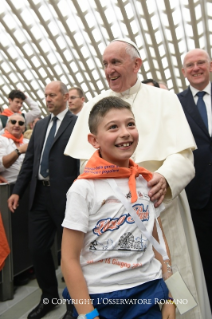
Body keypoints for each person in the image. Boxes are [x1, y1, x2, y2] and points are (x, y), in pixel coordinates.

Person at [64, 38, 211, 318]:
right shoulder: (95, 105)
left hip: (163, 208)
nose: (109, 69)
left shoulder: (164, 99)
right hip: (113, 219)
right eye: (105, 63)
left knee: (175, 286)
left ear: (136, 64)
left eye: (116, 62)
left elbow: (184, 156)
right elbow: (87, 163)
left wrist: (165, 178)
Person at [61, 96, 175, 319]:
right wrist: (87, 314)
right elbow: (69, 258)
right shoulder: (83, 188)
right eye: (113, 127)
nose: (125, 132)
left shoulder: (145, 181)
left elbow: (159, 243)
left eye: (130, 124)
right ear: (94, 140)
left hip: (148, 290)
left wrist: (170, 297)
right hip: (101, 297)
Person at [7, 81, 79, 319]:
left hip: (67, 197)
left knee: (70, 254)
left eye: (52, 95)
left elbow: (82, 162)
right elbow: (30, 161)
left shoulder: (77, 124)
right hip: (39, 196)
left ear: (65, 96)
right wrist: (18, 190)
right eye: (45, 95)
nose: (48, 99)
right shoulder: (39, 127)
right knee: (37, 249)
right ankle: (49, 298)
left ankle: (73, 304)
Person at [178, 48, 212, 311]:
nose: (196, 68)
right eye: (190, 65)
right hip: (197, 193)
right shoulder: (176, 104)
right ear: (183, 71)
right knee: (205, 255)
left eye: (201, 62)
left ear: (210, 65)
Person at [0, 113, 28, 183]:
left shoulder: (27, 142)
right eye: (13, 122)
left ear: (24, 128)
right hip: (7, 186)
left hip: (25, 186)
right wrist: (19, 150)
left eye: (21, 123)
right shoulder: (2, 140)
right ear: (6, 126)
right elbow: (1, 165)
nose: (17, 125)